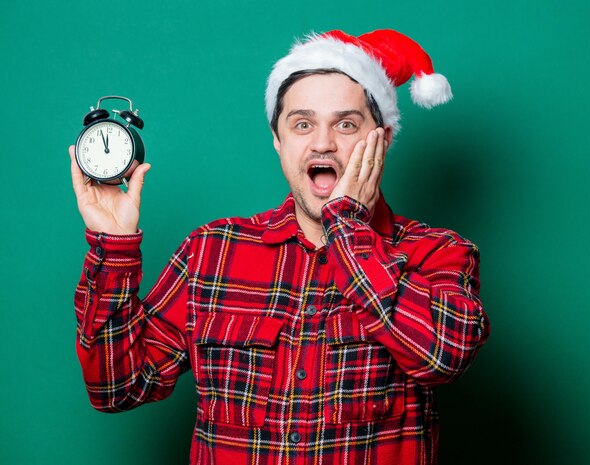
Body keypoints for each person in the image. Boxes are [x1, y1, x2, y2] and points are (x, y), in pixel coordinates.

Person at [70, 29, 489, 465]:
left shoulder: (436, 252)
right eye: (302, 124)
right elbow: (116, 387)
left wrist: (347, 226)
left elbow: (443, 357)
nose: (323, 142)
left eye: (346, 124)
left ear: (381, 141)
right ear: (279, 140)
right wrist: (113, 246)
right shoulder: (211, 252)